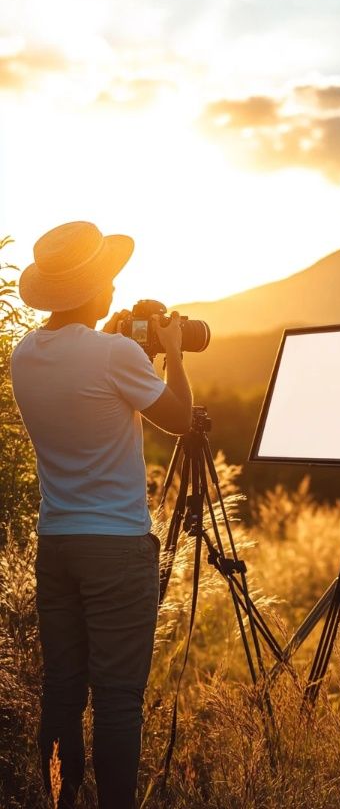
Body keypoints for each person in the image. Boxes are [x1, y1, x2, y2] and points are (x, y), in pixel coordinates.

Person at [10, 221, 192, 809]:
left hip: (56, 542)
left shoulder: (24, 356)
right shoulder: (116, 354)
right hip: (115, 546)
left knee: (63, 687)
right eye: (107, 280)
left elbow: (83, 374)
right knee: (117, 697)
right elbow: (181, 419)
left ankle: (59, 798)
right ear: (94, 289)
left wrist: (124, 346)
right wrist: (175, 356)